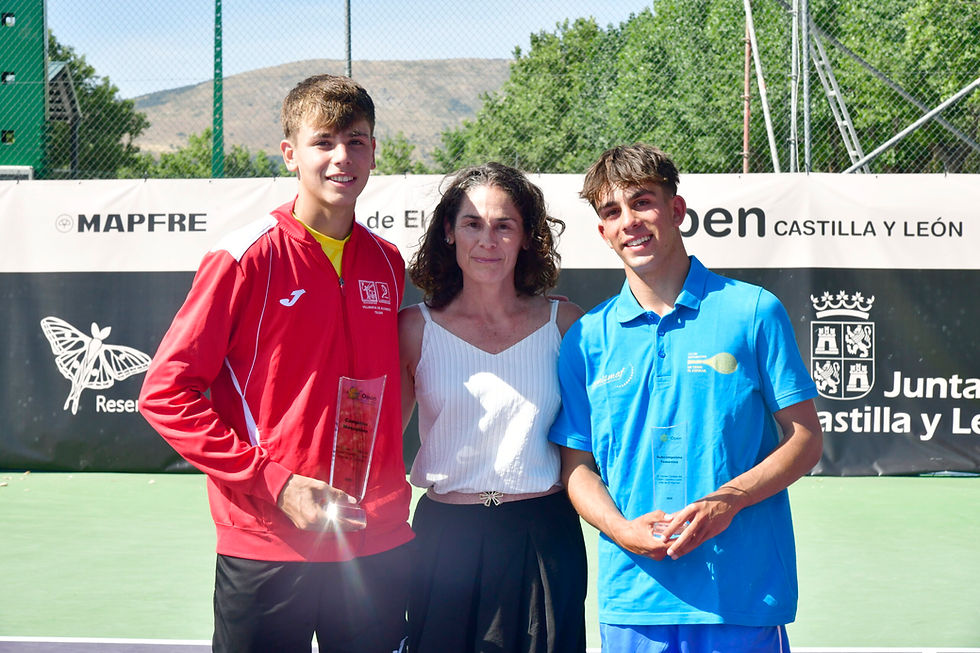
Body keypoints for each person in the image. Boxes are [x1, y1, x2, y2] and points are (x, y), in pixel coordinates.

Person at [139, 74, 414, 653]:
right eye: (325, 142)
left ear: (373, 151)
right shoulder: (244, 258)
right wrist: (276, 483)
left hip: (372, 541)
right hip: (269, 540)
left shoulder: (387, 262)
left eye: (357, 141)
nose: (343, 158)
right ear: (291, 154)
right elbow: (165, 394)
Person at [549, 143, 824, 652]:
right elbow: (577, 466)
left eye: (642, 202)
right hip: (635, 600)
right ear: (603, 232)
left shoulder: (753, 311)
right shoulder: (586, 339)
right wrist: (623, 530)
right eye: (612, 211)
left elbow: (806, 440)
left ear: (676, 210)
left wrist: (728, 502)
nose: (630, 221)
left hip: (739, 595)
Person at [398, 162, 588, 653]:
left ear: (527, 237)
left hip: (544, 538)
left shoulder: (565, 323)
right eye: (472, 223)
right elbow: (377, 442)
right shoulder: (413, 329)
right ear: (448, 232)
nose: (488, 240)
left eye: (505, 225)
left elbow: (595, 445)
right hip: (444, 539)